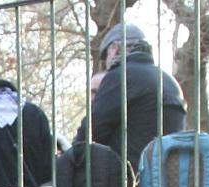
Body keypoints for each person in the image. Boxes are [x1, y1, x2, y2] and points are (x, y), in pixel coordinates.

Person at [79, 23, 186, 177]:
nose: (106, 64)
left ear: (115, 48)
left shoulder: (121, 76)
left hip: (129, 185)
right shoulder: (169, 81)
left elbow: (91, 131)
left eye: (106, 56)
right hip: (168, 183)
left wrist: (70, 156)